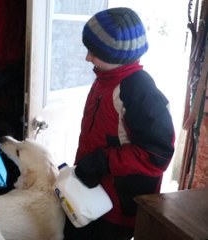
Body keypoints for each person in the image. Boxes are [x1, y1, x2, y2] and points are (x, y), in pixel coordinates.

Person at [64, 7, 176, 240]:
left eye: (94, 53)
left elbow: (158, 154)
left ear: (118, 57)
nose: (87, 58)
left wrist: (101, 161)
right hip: (90, 193)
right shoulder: (106, 77)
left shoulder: (139, 90)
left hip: (116, 207)